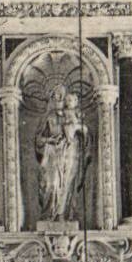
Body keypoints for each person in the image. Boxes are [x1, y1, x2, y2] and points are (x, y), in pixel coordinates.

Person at [35, 84, 91, 221]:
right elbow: (38, 140)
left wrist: (77, 128)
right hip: (52, 156)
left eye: (62, 96)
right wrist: (49, 140)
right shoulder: (48, 118)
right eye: (56, 96)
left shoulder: (73, 115)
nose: (59, 99)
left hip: (69, 154)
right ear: (52, 99)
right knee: (52, 184)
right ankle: (48, 215)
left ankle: (64, 216)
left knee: (68, 184)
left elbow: (85, 136)